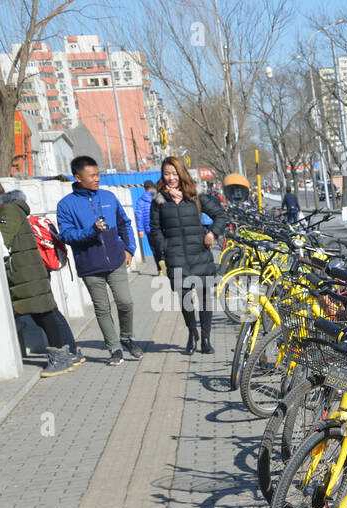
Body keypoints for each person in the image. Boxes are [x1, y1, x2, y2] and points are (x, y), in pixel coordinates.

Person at [56, 155, 139, 366]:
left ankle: (127, 337)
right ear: (78, 177)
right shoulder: (66, 205)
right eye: (91, 175)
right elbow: (66, 235)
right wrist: (91, 230)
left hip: (117, 260)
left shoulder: (109, 197)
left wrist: (129, 249)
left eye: (98, 174)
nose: (96, 179)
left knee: (126, 302)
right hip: (90, 265)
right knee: (102, 309)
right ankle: (114, 348)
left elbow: (124, 223)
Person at [0, 183, 84, 376]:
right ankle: (69, 353)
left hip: (25, 273)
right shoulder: (10, 209)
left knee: (44, 313)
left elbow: (4, 240)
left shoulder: (8, 210)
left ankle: (62, 358)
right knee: (45, 312)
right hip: (24, 272)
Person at [150, 156, 229, 355]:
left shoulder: (195, 195)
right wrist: (164, 248)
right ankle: (192, 334)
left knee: (204, 299)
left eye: (174, 173)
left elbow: (221, 215)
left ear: (181, 173)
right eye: (166, 174)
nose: (170, 178)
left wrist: (212, 233)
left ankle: (206, 339)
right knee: (185, 299)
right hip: (175, 256)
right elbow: (155, 229)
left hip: (199, 253)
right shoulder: (158, 200)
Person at [134, 180, 158, 275]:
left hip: (148, 228)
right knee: (162, 246)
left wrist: (140, 230)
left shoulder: (140, 201)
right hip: (159, 226)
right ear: (153, 187)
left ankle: (160, 269)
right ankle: (164, 263)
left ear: (144, 188)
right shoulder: (157, 197)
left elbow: (139, 216)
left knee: (153, 249)